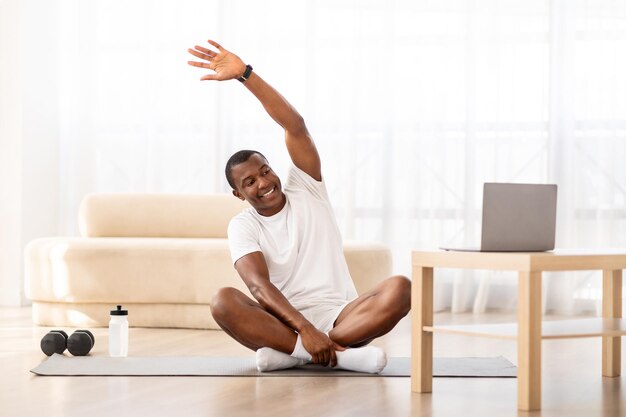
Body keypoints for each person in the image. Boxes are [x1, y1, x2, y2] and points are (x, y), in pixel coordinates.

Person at [187, 39, 411, 373]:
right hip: (283, 323)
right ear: (239, 194)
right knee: (222, 301)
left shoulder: (307, 188)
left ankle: (298, 354)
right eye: (249, 182)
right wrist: (305, 329)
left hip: (342, 317)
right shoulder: (243, 226)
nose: (263, 183)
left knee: (401, 288)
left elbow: (295, 125)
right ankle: (332, 355)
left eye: (265, 171)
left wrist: (245, 75)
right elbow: (257, 287)